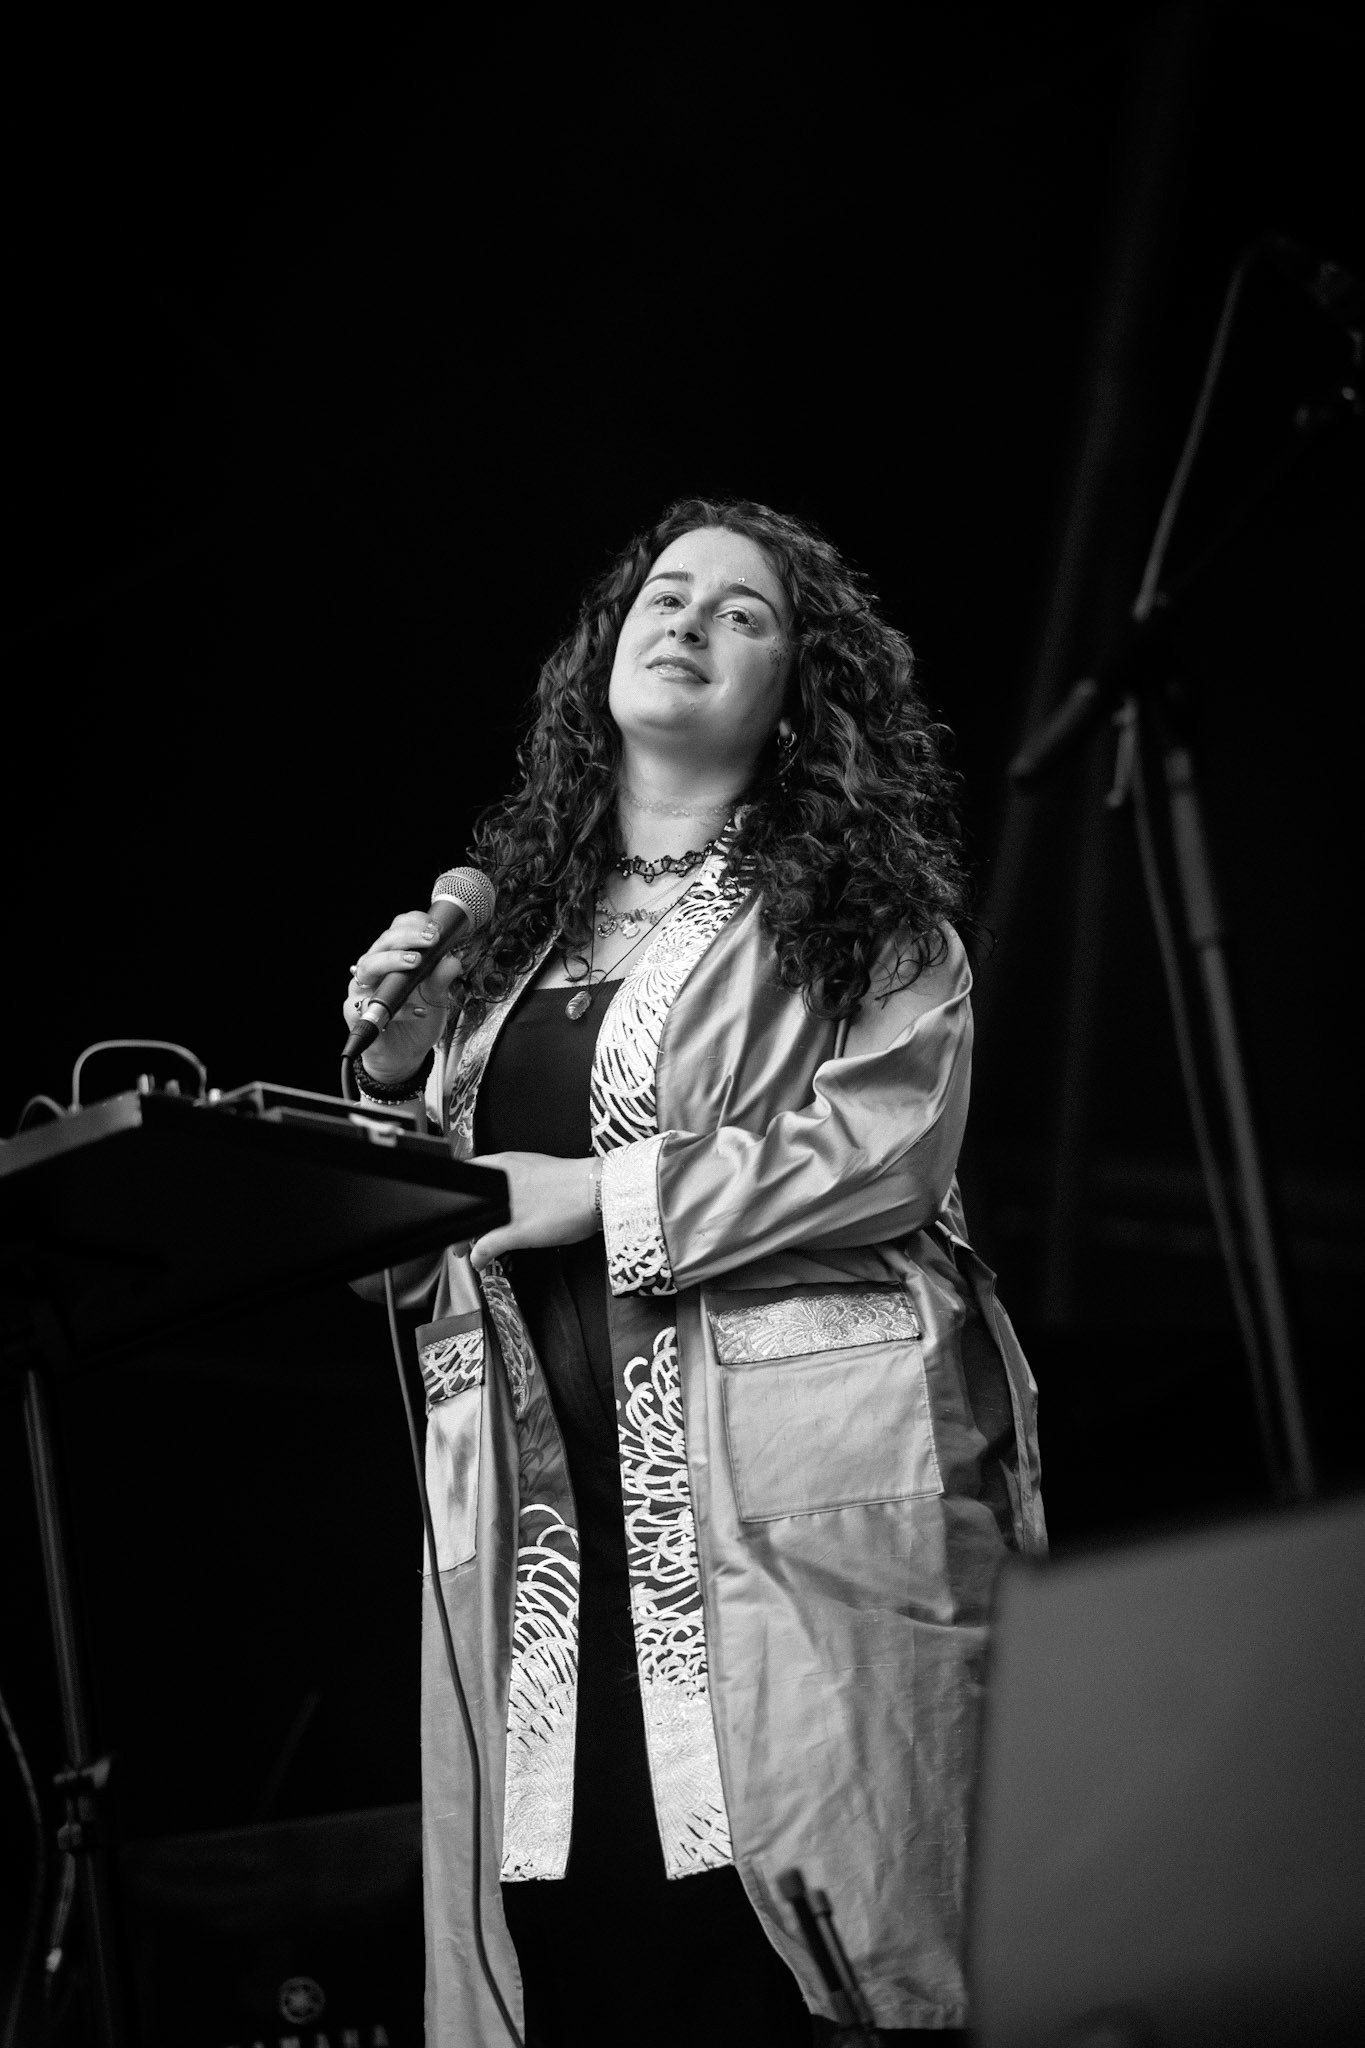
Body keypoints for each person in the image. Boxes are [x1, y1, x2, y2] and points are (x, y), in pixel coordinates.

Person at [342, 499, 1046, 2047]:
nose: (688, 625)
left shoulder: (860, 920)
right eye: (667, 596)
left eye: (745, 615)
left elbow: (884, 1152)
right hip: (543, 1540)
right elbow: (419, 1251)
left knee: (813, 1943)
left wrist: (602, 1192)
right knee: (580, 1940)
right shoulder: (496, 944)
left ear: (796, 691)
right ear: (606, 648)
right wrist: (398, 1087)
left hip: (779, 1516)